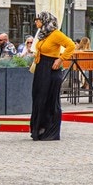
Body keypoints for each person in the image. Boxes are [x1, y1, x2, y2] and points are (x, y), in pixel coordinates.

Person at [28, 11, 77, 141]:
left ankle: (49, 130)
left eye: (37, 19)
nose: (35, 21)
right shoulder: (43, 34)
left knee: (49, 98)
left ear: (44, 20)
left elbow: (71, 45)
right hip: (41, 67)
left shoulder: (56, 34)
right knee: (38, 97)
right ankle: (38, 129)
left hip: (51, 68)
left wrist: (61, 59)